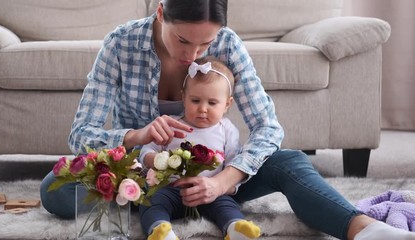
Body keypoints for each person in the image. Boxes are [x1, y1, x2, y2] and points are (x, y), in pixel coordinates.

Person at [39, 0, 415, 239]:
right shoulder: (120, 45)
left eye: (205, 44)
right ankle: (157, 207)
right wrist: (136, 136)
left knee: (291, 161)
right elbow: (81, 134)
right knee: (55, 186)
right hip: (142, 178)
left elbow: (268, 127)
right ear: (160, 13)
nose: (194, 54)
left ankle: (363, 230)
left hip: (220, 186)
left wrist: (222, 181)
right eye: (183, 40)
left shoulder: (229, 45)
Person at [139, 57, 260, 240]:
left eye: (212, 103)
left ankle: (235, 228)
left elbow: (233, 163)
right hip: (171, 189)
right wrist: (155, 160)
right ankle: (160, 231)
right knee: (151, 203)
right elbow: (146, 150)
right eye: (195, 100)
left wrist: (224, 187)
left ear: (227, 104)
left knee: (226, 206)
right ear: (183, 98)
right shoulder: (171, 124)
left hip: (210, 192)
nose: (203, 109)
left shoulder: (227, 130)